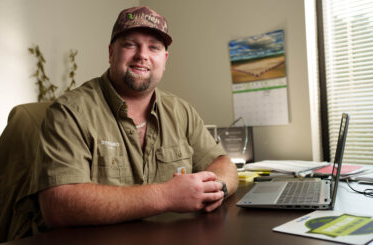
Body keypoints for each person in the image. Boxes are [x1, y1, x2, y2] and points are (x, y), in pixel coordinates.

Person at [33, 6, 238, 230]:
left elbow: (222, 163)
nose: (142, 55)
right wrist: (165, 196)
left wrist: (218, 187)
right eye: (130, 44)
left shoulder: (181, 111)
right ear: (111, 52)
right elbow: (58, 205)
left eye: (154, 47)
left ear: (165, 59)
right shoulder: (69, 112)